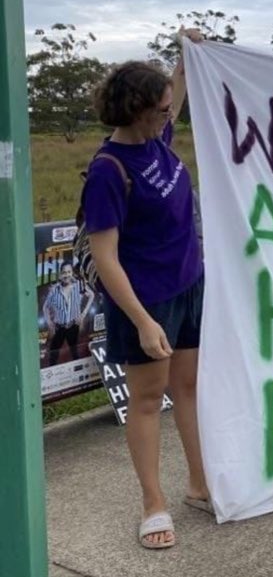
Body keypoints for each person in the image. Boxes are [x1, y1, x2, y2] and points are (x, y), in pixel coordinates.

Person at [82, 29, 210, 550]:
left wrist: (185, 57)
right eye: (160, 108)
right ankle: (153, 503)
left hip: (187, 284)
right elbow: (105, 258)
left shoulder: (156, 140)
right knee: (146, 398)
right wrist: (142, 319)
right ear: (137, 112)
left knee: (190, 387)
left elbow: (174, 94)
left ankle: (200, 485)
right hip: (146, 301)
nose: (169, 113)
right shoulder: (108, 172)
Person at [43, 262, 94, 366]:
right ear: (60, 274)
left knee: (75, 352)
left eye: (69, 272)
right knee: (53, 354)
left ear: (72, 273)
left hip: (73, 325)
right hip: (59, 327)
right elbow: (45, 307)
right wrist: (49, 322)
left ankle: (78, 374)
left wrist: (83, 314)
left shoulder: (79, 285)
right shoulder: (54, 290)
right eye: (64, 272)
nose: (66, 275)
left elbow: (91, 295)